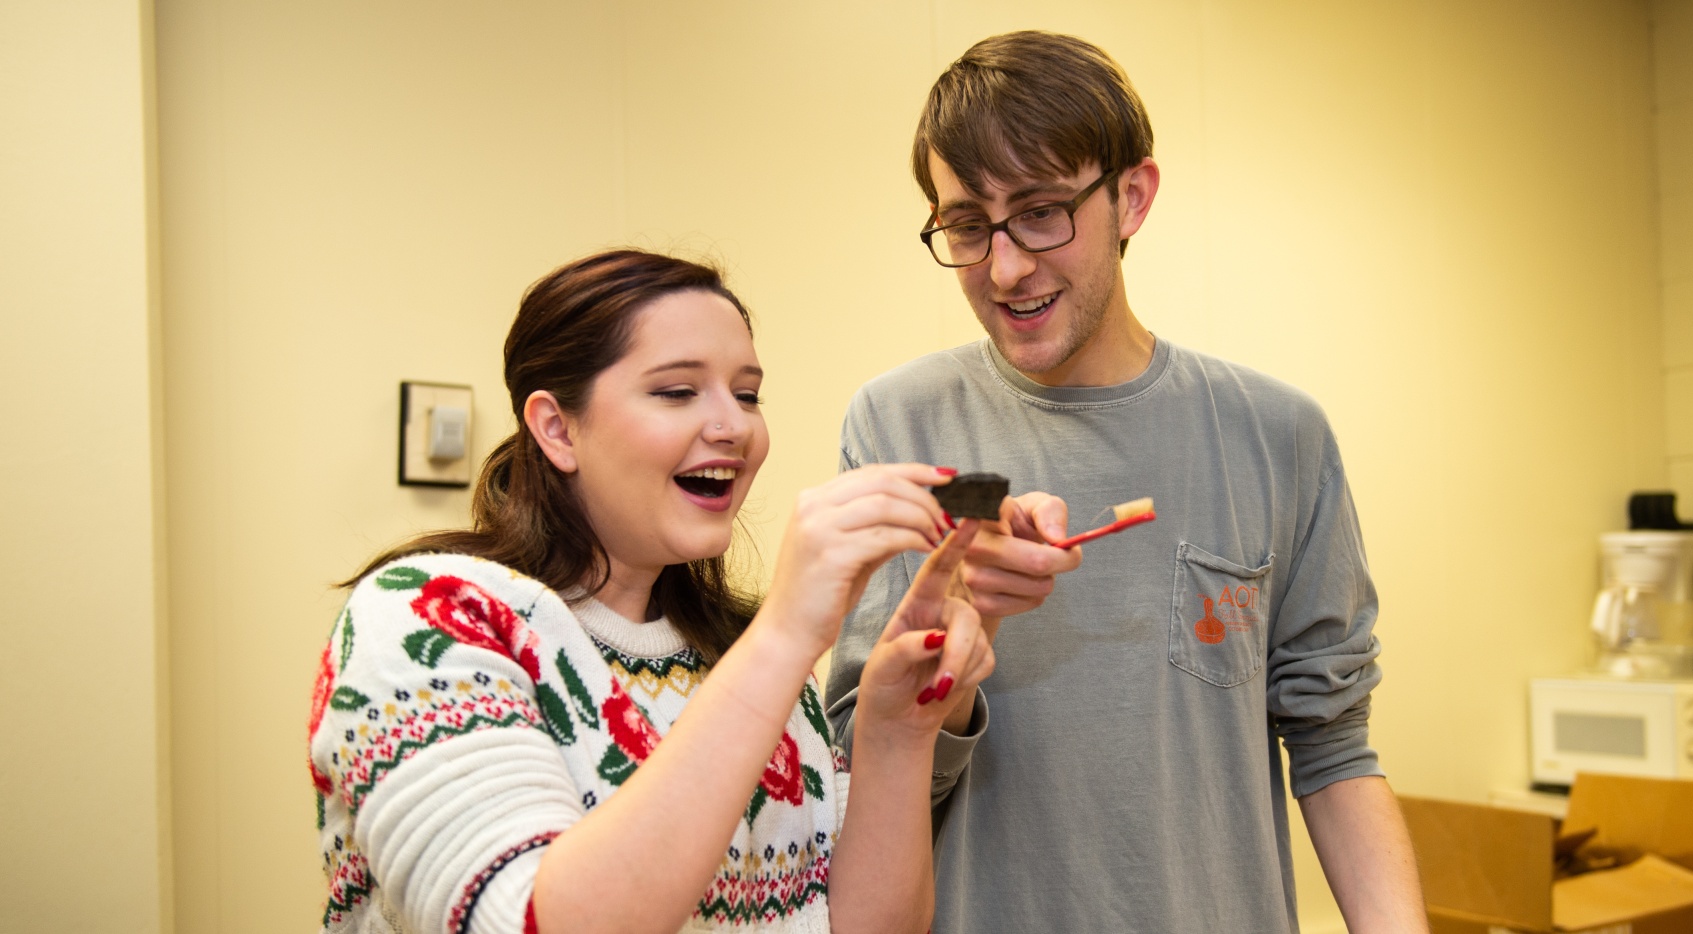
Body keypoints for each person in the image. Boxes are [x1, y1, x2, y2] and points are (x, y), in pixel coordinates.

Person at [824, 31, 1427, 933]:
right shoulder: (906, 430)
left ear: (1131, 197)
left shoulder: (1275, 435)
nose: (1006, 267)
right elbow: (863, 764)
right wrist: (955, 646)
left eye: (1039, 213)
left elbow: (1334, 744)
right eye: (966, 224)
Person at [307, 249, 995, 934]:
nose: (735, 427)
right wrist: (787, 634)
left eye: (748, 394)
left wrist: (896, 729)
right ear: (557, 427)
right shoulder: (426, 617)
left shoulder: (741, 659)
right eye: (676, 392)